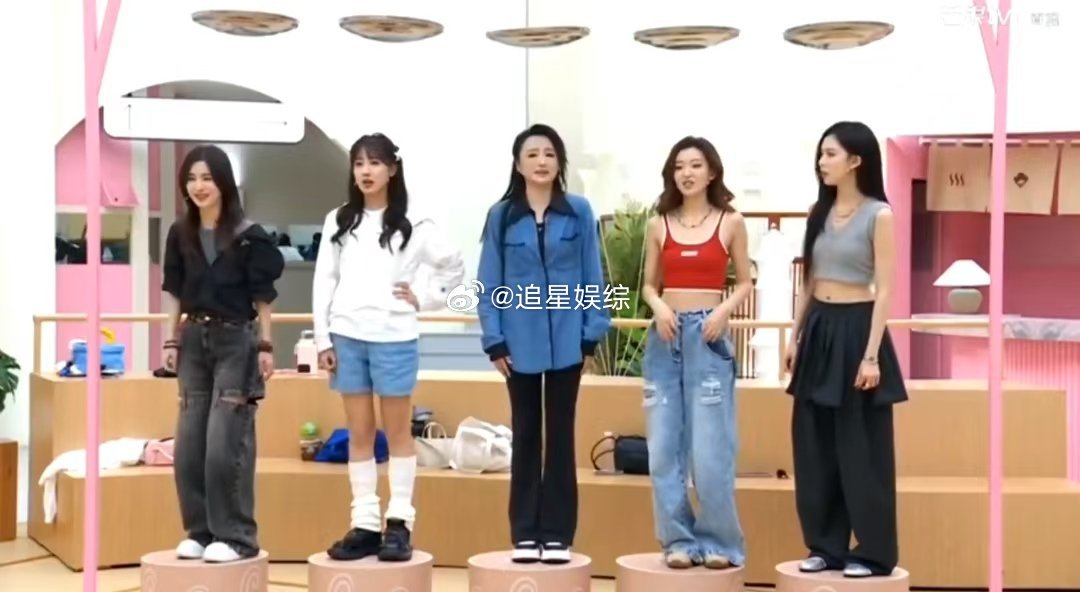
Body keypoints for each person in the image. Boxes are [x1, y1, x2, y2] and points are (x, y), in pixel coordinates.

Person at [313, 133, 465, 562]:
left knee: (398, 432)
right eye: (359, 163)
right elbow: (324, 279)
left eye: (375, 163)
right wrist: (323, 338)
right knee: (359, 432)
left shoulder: (415, 222)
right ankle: (364, 523)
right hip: (346, 335)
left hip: (395, 336)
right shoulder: (339, 220)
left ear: (392, 169)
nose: (366, 171)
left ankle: (399, 523)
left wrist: (427, 299)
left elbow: (454, 267)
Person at [476, 123, 611, 565]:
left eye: (549, 154)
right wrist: (494, 341)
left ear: (560, 163)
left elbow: (593, 275)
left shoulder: (579, 211)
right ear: (518, 164)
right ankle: (524, 534)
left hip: (569, 342)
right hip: (517, 345)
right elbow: (488, 282)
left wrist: (591, 335)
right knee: (526, 435)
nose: (541, 161)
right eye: (532, 154)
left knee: (561, 437)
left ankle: (557, 535)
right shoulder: (502, 216)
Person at [784, 121, 907, 578]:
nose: (822, 162)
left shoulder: (880, 215)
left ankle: (873, 552)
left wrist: (871, 355)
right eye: (821, 154)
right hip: (819, 329)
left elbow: (885, 290)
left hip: (858, 330)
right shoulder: (818, 212)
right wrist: (794, 336)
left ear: (856, 160)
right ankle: (826, 546)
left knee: (862, 448)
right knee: (813, 444)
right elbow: (808, 281)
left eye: (830, 154)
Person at [162, 144, 285, 563]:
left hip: (237, 340)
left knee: (224, 444)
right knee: (189, 447)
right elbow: (174, 292)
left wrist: (266, 345)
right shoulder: (180, 233)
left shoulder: (250, 236)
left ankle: (236, 537)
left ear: (224, 183)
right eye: (191, 179)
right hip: (193, 340)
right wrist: (170, 340)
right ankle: (199, 531)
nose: (199, 186)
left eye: (207, 178)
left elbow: (263, 296)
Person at [639, 136, 753, 570]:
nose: (686, 173)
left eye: (695, 165)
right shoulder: (658, 224)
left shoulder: (731, 221)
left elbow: (744, 281)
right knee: (663, 450)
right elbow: (649, 285)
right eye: (679, 166)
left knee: (710, 451)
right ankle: (678, 541)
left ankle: (721, 542)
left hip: (707, 337)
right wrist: (659, 307)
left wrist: (723, 312)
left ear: (712, 172)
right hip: (665, 338)